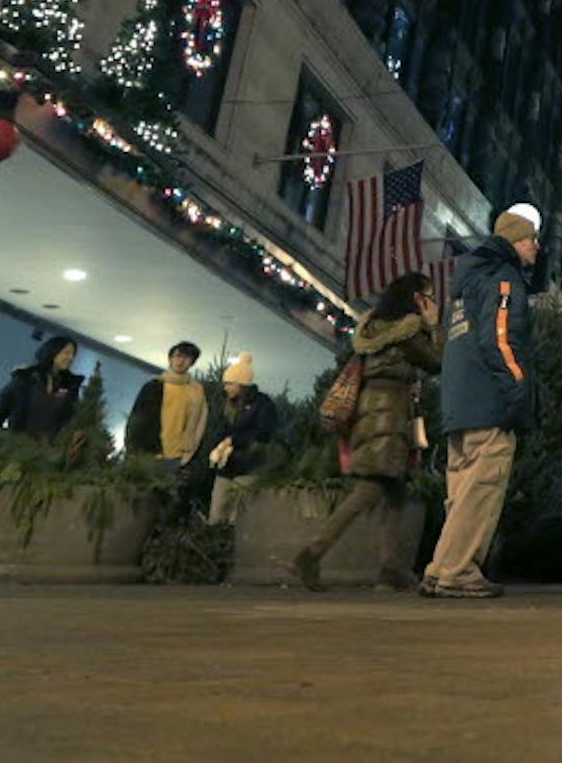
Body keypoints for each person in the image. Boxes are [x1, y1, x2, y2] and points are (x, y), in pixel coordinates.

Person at [292, 271, 443, 592]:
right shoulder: (408, 330)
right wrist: (432, 324)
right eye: (427, 295)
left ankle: (389, 568)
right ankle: (312, 552)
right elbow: (436, 361)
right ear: (416, 298)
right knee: (369, 489)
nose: (431, 300)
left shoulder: (373, 328)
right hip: (389, 412)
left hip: (370, 410)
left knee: (395, 492)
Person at [423, 208, 541, 599]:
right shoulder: (502, 278)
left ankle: (440, 568)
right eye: (531, 240)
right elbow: (500, 338)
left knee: (461, 492)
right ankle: (458, 572)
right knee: (482, 491)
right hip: (488, 403)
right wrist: (519, 386)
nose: (536, 248)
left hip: (460, 404)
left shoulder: (466, 284)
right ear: (515, 241)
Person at [204, 352, 279, 525]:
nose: (225, 388)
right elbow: (222, 431)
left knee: (237, 518)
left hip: (248, 468)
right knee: (216, 515)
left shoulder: (263, 405)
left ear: (241, 384)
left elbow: (264, 434)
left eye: (230, 383)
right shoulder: (229, 406)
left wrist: (233, 441)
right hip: (226, 467)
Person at [123, 341, 208, 473]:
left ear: (192, 362)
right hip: (150, 453)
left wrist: (189, 454)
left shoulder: (196, 391)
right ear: (170, 358)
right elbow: (137, 419)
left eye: (186, 358)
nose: (180, 361)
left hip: (177, 456)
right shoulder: (154, 386)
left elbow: (200, 423)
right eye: (178, 356)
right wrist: (132, 449)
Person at [0, 336, 81, 442]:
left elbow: (72, 420)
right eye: (66, 353)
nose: (71, 358)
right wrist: (5, 446)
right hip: (17, 451)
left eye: (73, 354)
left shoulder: (71, 387)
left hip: (50, 454)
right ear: (53, 351)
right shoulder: (24, 380)